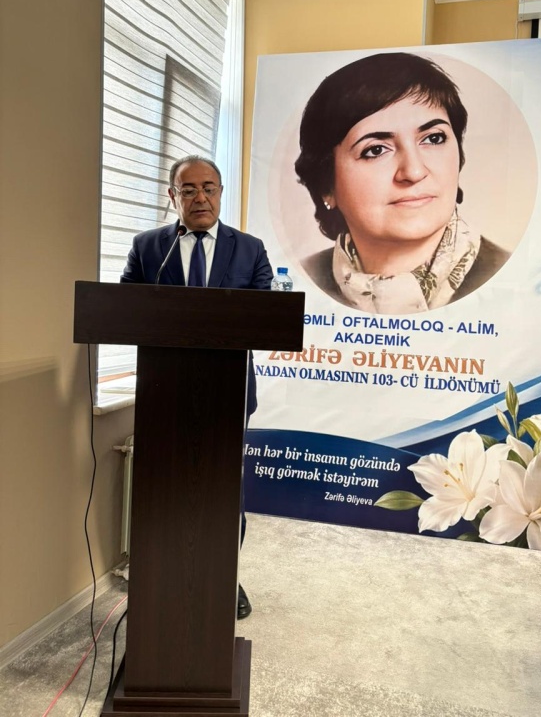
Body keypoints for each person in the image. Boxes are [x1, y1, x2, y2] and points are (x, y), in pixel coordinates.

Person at [121, 154, 274, 618]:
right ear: (173, 196)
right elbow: (124, 307)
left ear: (221, 193)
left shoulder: (249, 249)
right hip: (164, 389)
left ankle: (225, 576)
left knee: (223, 489)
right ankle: (162, 575)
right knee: (164, 487)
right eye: (188, 190)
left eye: (209, 188)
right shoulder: (149, 247)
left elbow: (266, 316)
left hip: (229, 388)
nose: (200, 197)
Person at [295, 52, 510, 314]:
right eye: (375, 150)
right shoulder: (297, 279)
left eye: (433, 138)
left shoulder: (511, 278)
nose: (414, 171)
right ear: (326, 186)